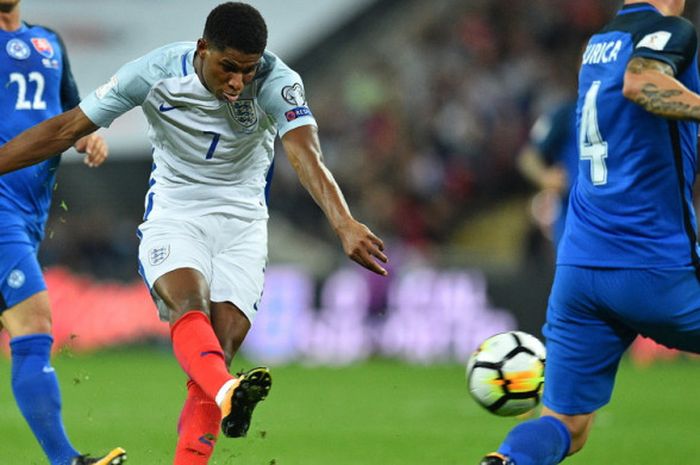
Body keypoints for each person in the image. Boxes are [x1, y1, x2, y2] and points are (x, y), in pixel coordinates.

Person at [0, 2, 388, 464]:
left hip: (243, 225)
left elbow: (306, 154)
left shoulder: (278, 81)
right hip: (176, 211)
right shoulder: (153, 72)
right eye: (228, 67)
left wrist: (343, 221)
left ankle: (219, 397)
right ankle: (227, 391)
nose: (238, 82)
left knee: (215, 355)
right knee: (190, 306)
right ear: (203, 48)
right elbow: (66, 128)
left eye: (248, 71)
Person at [480, 1, 700, 464]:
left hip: (580, 269)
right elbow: (641, 82)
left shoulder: (599, 43)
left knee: (567, 425)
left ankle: (504, 462)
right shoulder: (670, 30)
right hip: (653, 265)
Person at [0, 1, 126, 465]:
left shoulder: (48, 41)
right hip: (0, 209)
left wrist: (85, 134)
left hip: (31, 212)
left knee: (26, 330)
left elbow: (69, 110)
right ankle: (66, 460)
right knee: (33, 323)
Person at [516, 98, 577, 249]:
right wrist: (545, 176)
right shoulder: (565, 113)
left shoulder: (621, 113)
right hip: (571, 217)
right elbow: (527, 156)